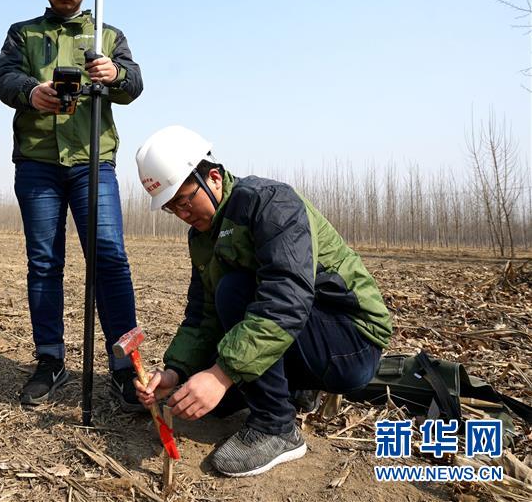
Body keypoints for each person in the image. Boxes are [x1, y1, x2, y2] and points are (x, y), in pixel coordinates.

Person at [133, 126, 392, 477]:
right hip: (306, 336)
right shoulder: (203, 236)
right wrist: (176, 371)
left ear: (212, 177)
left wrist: (221, 374)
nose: (182, 214)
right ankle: (294, 391)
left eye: (184, 200)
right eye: (170, 208)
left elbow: (287, 297)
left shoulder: (270, 202)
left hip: (351, 341)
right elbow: (202, 313)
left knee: (235, 292)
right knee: (211, 399)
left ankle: (277, 428)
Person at [0, 0, 145, 409]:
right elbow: (4, 78)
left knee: (110, 257)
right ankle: (50, 360)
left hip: (91, 164)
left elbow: (134, 82)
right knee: (44, 262)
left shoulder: (107, 35)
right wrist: (29, 92)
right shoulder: (23, 33)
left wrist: (113, 75)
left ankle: (126, 366)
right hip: (37, 164)